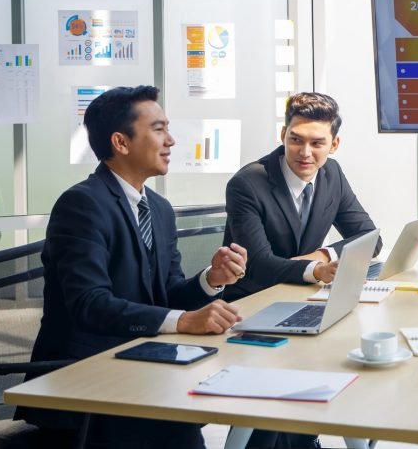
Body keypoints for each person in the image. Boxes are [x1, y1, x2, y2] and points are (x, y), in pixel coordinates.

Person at [23, 85, 248, 449]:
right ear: (121, 142)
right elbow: (89, 304)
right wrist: (184, 321)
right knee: (181, 426)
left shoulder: (157, 207)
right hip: (85, 380)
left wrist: (210, 280)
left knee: (217, 403)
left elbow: (168, 292)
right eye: (158, 129)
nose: (171, 140)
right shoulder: (82, 205)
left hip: (140, 363)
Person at [223, 91, 381, 449]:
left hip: (301, 302)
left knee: (354, 361)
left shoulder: (332, 175)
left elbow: (370, 238)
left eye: (316, 143)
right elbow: (258, 268)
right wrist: (317, 271)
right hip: (252, 307)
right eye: (295, 140)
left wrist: (321, 256)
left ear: (334, 144)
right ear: (283, 136)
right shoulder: (248, 184)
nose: (304, 153)